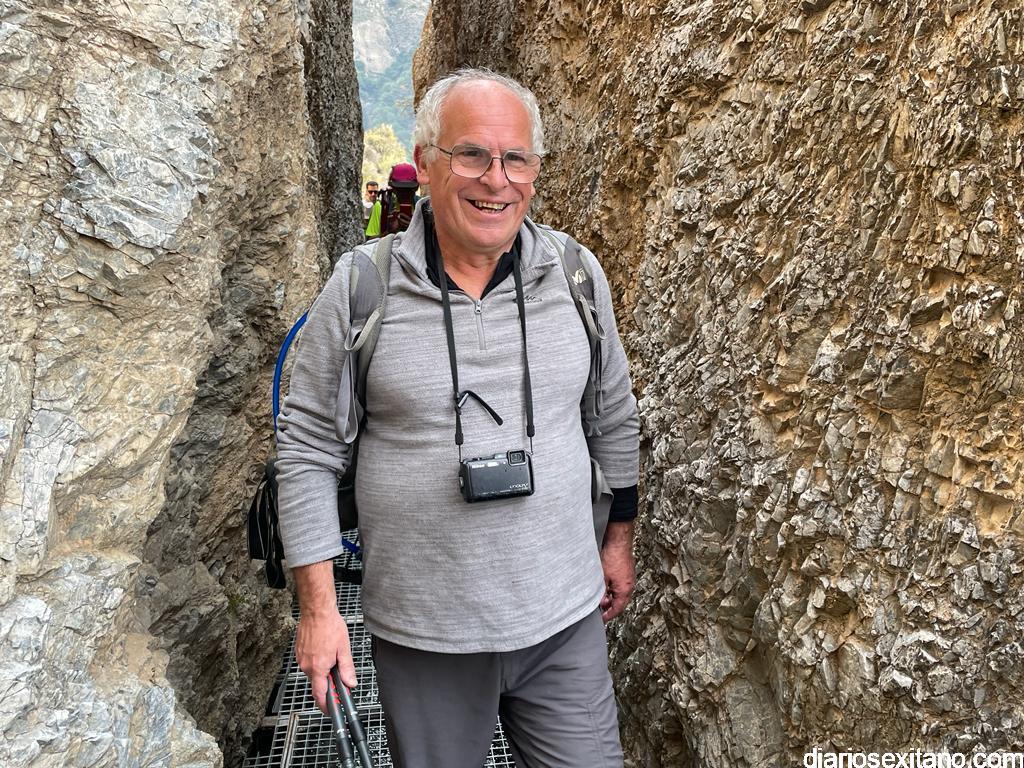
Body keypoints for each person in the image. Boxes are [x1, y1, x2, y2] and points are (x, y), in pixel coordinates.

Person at [275, 68, 639, 768]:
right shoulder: (363, 287)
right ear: (427, 162)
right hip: (425, 636)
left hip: (564, 620)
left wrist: (618, 540)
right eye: (471, 154)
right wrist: (319, 610)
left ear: (535, 169)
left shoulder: (576, 275)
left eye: (516, 158)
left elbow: (612, 417)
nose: (496, 180)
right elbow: (308, 449)